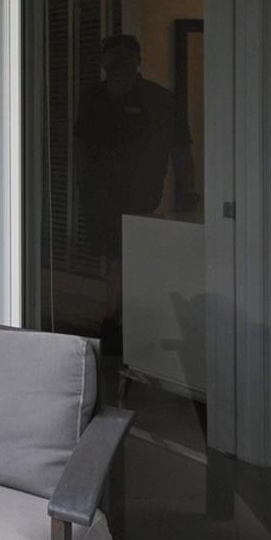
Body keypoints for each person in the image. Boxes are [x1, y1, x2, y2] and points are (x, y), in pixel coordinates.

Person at [74, 33, 198, 352]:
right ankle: (115, 322)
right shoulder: (92, 99)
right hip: (100, 197)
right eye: (113, 60)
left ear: (138, 61)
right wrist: (83, 187)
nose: (118, 67)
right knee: (114, 259)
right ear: (104, 63)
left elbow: (181, 150)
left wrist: (188, 193)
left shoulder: (159, 100)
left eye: (125, 60)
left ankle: (130, 326)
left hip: (141, 197)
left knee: (135, 258)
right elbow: (83, 147)